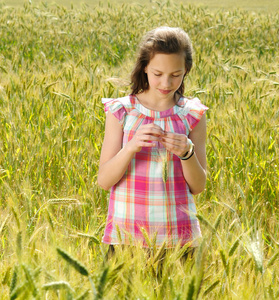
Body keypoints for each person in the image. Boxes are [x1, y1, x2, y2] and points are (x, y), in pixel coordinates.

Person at [97, 27, 208, 256]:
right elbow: (104, 180)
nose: (166, 83)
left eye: (175, 75)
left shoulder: (192, 114)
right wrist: (130, 147)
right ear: (145, 66)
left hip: (179, 239)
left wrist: (187, 154)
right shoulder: (122, 111)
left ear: (186, 70)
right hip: (126, 237)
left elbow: (198, 187)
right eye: (158, 74)